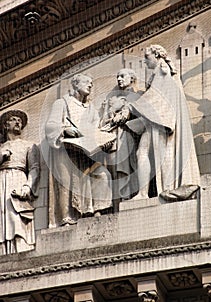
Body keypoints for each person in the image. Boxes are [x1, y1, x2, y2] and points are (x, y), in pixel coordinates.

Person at [129, 44, 200, 201]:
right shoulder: (161, 72)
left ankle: (151, 191)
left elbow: (157, 97)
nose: (146, 63)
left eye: (147, 58)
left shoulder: (163, 71)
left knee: (152, 152)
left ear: (157, 56)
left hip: (161, 122)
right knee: (144, 153)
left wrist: (134, 104)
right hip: (156, 120)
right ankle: (146, 192)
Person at [45, 73, 113, 226]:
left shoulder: (91, 109)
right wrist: (65, 129)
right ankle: (65, 217)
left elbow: (96, 131)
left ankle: (97, 210)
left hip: (87, 153)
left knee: (103, 175)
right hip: (66, 149)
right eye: (86, 82)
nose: (90, 85)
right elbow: (51, 125)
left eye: (91, 83)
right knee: (65, 182)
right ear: (75, 85)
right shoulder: (62, 103)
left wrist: (103, 142)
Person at [0, 110, 40, 254]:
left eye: (20, 121)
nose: (18, 122)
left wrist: (28, 187)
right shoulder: (0, 147)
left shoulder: (29, 145)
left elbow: (35, 168)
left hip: (18, 178)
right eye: (14, 119)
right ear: (5, 125)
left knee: (16, 216)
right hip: (1, 182)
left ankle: (20, 248)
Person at [100, 68, 141, 207]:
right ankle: (118, 202)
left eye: (122, 76)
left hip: (127, 136)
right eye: (117, 76)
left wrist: (117, 115)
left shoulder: (136, 95)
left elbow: (126, 116)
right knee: (114, 170)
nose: (119, 79)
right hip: (112, 140)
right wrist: (110, 112)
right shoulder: (112, 100)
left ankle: (127, 198)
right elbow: (102, 123)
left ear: (131, 78)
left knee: (127, 167)